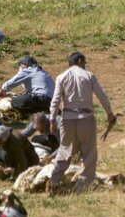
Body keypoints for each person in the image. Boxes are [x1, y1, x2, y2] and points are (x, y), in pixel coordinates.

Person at [49, 52, 116, 192]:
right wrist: (110, 114)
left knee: (64, 151)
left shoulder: (61, 77)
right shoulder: (89, 76)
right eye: (84, 62)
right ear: (79, 61)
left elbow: (55, 100)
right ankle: (82, 186)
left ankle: (54, 182)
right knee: (89, 154)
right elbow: (101, 96)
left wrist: (52, 120)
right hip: (86, 119)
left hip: (67, 119)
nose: (85, 65)